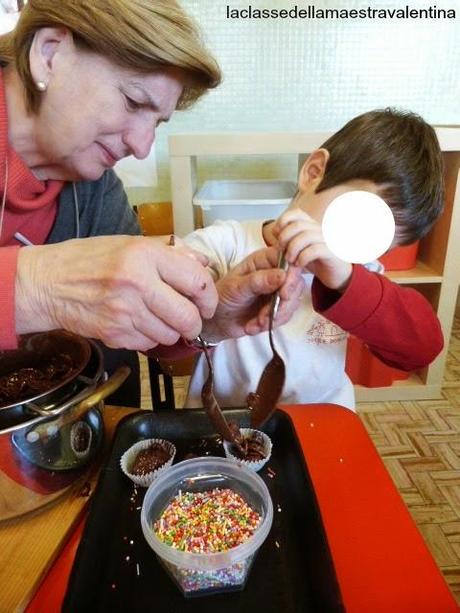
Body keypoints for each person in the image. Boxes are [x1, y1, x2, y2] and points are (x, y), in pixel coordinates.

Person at [0, 0, 303, 406]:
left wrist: (210, 321)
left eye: (157, 122)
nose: (142, 148)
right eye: (133, 101)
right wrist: (37, 287)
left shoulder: (95, 189)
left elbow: (136, 318)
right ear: (50, 53)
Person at [182, 109, 444, 410]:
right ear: (313, 173)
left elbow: (422, 349)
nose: (356, 249)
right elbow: (164, 322)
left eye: (377, 244)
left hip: (322, 416)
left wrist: (347, 283)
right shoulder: (227, 243)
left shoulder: (359, 274)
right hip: (227, 416)